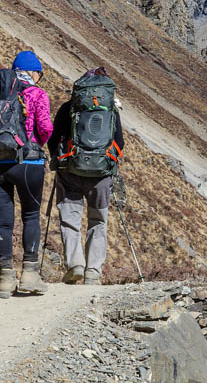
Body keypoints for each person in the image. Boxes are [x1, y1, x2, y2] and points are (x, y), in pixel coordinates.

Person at [0, 51, 52, 298]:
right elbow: (45, 128)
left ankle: (5, 279)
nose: (39, 78)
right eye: (39, 73)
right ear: (32, 72)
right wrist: (35, 143)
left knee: (4, 222)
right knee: (30, 215)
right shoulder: (36, 93)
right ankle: (30, 274)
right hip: (28, 163)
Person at [47, 67, 124, 285]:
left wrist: (58, 159)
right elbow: (119, 141)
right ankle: (93, 272)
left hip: (69, 171)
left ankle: (75, 265)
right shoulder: (110, 109)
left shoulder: (69, 107)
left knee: (70, 220)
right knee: (98, 221)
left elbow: (53, 139)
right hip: (100, 175)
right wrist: (108, 162)